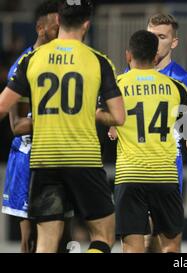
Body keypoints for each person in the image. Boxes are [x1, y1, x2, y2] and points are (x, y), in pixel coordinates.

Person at [0, 0, 125, 253]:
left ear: (58, 21)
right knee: (104, 234)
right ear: (87, 24)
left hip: (45, 161)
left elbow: (3, 106)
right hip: (83, 159)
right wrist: (88, 114)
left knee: (45, 243)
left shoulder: (32, 59)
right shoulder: (98, 61)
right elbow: (119, 116)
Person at [111, 13, 187, 252]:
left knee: (158, 246)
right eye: (151, 35)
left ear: (174, 42)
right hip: (136, 171)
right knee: (143, 244)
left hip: (167, 172)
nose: (154, 41)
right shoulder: (128, 75)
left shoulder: (184, 81)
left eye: (161, 37)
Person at [1, 0, 63, 253]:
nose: (60, 32)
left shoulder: (63, 64)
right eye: (55, 28)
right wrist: (58, 120)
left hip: (57, 157)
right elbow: (16, 126)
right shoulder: (23, 65)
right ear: (40, 28)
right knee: (30, 242)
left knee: (60, 236)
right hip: (27, 160)